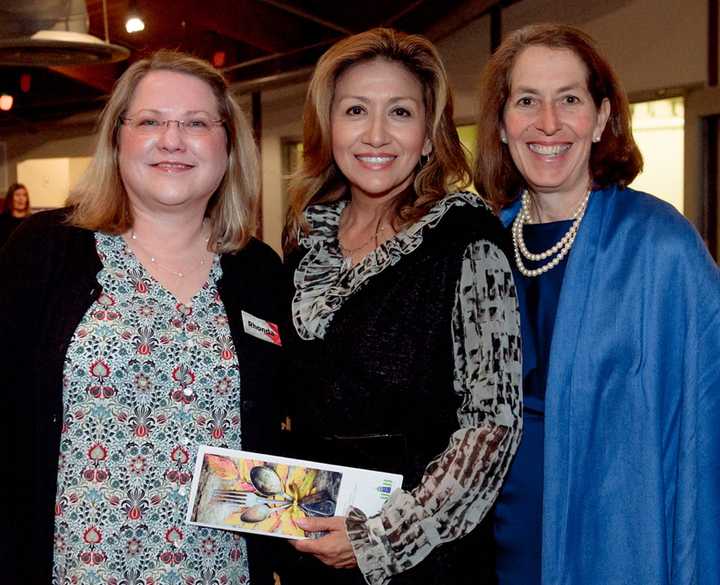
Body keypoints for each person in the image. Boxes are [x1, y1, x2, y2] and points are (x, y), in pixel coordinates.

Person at [0, 50, 286, 585]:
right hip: (75, 569)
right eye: (151, 121)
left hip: (220, 571)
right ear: (117, 138)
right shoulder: (43, 252)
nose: (172, 140)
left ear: (228, 145)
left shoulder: (260, 272)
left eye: (196, 123)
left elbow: (280, 431)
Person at [473, 23, 720, 585]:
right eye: (527, 101)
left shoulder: (661, 244)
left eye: (570, 100)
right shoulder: (481, 247)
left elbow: (708, 419)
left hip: (616, 538)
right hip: (491, 539)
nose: (549, 123)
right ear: (504, 126)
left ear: (602, 117)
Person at [280, 27, 522, 585]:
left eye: (401, 113)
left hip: (424, 562)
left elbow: (493, 424)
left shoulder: (467, 241)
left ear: (431, 135)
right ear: (329, 125)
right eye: (356, 110)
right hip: (313, 550)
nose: (376, 135)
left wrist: (383, 538)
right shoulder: (304, 243)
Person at [0, 182, 31, 247]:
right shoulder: (2, 220)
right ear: (10, 198)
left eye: (24, 195)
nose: (21, 198)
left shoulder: (32, 220)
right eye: (17, 195)